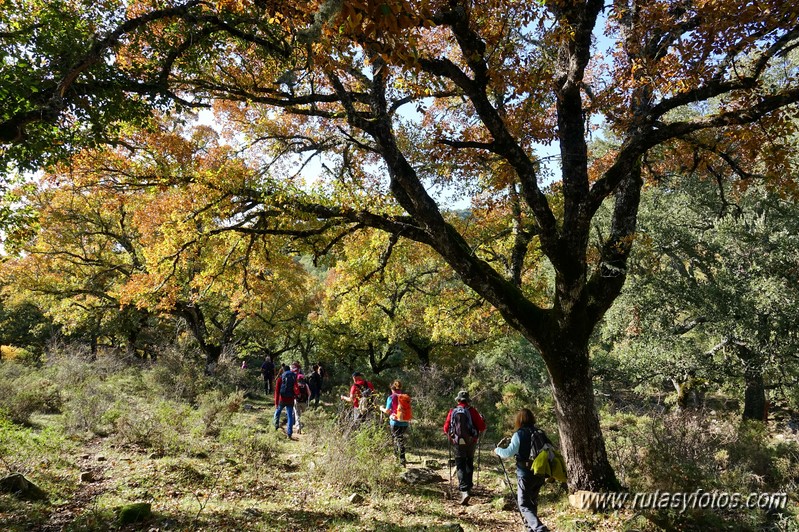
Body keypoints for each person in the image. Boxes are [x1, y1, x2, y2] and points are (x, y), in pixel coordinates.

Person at [494, 408, 552, 532]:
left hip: (525, 473)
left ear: (519, 420)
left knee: (524, 504)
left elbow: (508, 452)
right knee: (532, 502)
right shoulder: (540, 432)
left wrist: (497, 450)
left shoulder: (519, 434)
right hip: (540, 472)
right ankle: (530, 529)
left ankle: (540, 528)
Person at [443, 390, 486, 505]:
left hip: (457, 442)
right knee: (469, 462)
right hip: (471, 441)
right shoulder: (472, 411)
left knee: (460, 464)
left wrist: (453, 438)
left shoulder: (452, 411)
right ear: (467, 401)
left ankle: (464, 490)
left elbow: (446, 428)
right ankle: (469, 486)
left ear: (458, 400)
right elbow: (482, 427)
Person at [380, 380, 410, 466]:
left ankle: (400, 459)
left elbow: (387, 411)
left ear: (392, 389)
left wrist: (381, 408)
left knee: (397, 440)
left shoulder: (391, 397)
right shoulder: (405, 397)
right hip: (405, 422)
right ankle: (400, 458)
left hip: (395, 422)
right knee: (400, 439)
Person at [273, 364, 297, 440]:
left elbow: (277, 392)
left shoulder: (280, 379)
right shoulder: (293, 377)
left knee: (278, 412)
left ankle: (275, 426)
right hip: (290, 399)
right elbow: (295, 388)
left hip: (282, 399)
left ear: (283, 370)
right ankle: (289, 433)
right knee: (290, 415)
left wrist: (276, 403)